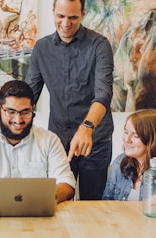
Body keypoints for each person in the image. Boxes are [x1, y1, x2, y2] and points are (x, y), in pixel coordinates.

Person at [25, 0, 114, 199]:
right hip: (58, 141)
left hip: (95, 139)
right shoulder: (42, 48)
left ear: (83, 13)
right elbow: (29, 95)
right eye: (61, 16)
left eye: (73, 17)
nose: (66, 23)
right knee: (56, 201)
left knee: (92, 206)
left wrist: (87, 127)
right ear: (53, 12)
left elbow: (104, 93)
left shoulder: (99, 45)